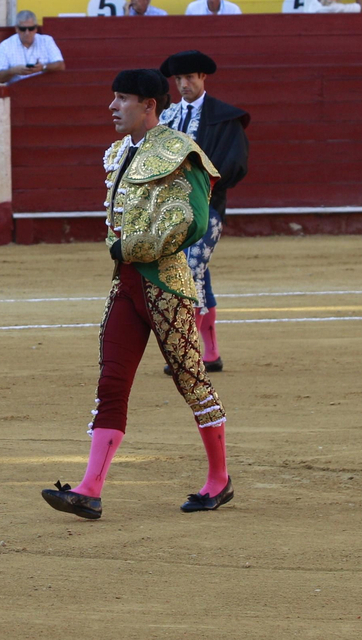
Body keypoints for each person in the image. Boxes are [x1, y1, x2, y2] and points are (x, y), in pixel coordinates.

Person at [40, 68, 229, 522]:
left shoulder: (181, 152)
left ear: (149, 106)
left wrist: (133, 247)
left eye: (122, 98)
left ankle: (219, 480)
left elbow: (193, 221)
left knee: (190, 381)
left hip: (167, 286)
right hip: (125, 285)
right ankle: (90, 489)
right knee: (112, 382)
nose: (112, 106)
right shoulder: (120, 152)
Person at [158, 50, 249, 374]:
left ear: (202, 78)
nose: (184, 84)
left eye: (189, 78)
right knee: (195, 272)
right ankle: (210, 353)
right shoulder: (166, 118)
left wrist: (203, 187)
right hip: (169, 212)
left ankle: (187, 350)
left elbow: (235, 164)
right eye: (178, 79)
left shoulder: (224, 117)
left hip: (206, 208)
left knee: (189, 270)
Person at [0, 10, 66, 81]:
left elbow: (60, 65)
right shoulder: (5, 45)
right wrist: (13, 71)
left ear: (36, 29)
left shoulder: (46, 41)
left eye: (31, 29)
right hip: (16, 89)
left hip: (42, 88)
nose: (27, 33)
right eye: (23, 29)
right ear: (16, 29)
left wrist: (43, 67)